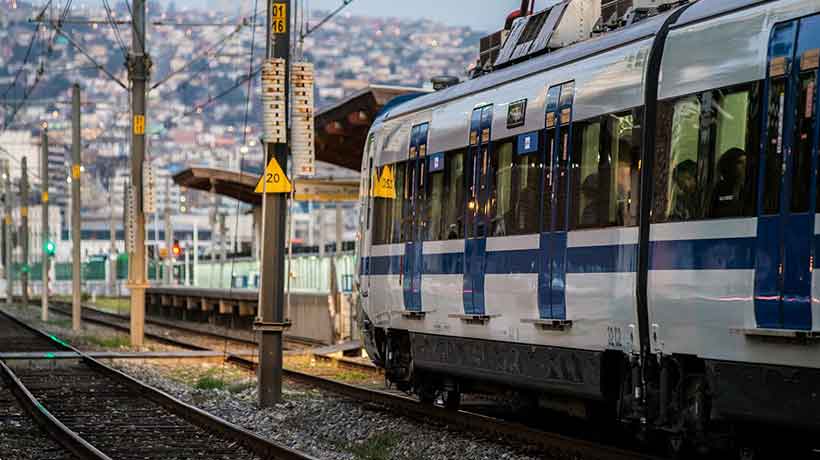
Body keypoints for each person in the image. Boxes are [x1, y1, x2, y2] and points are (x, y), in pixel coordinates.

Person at [710, 148, 747, 218]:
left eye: (746, 162)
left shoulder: (751, 188)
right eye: (740, 162)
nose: (744, 166)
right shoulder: (720, 188)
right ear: (730, 165)